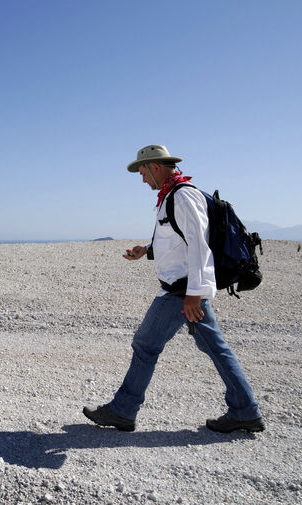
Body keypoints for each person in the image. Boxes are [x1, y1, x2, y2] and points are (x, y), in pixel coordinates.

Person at [82, 145, 264, 433]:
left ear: (155, 167)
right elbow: (175, 240)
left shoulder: (183, 195)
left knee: (145, 345)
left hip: (181, 292)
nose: (142, 179)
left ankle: (123, 410)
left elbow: (199, 245)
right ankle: (245, 410)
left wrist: (195, 294)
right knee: (214, 347)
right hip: (184, 290)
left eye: (142, 172)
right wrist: (147, 250)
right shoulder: (170, 195)